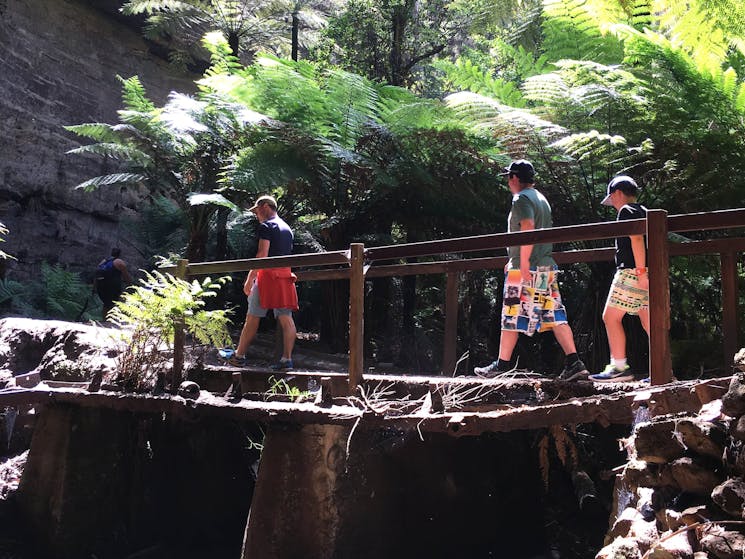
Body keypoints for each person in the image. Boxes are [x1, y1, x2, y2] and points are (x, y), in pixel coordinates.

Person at [474, 160, 589, 381]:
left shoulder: (521, 198)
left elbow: (527, 226)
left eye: (509, 177)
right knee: (554, 314)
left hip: (527, 269)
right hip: (545, 267)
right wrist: (515, 258)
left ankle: (502, 366)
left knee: (510, 316)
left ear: (515, 178)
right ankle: (574, 362)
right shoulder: (541, 198)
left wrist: (522, 262)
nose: (508, 182)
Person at [589, 176, 648, 382]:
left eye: (612, 199)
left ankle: (620, 367)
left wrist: (640, 272)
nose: (612, 204)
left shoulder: (627, 211)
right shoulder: (645, 211)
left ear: (617, 194)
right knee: (650, 321)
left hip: (631, 272)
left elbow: (637, 238)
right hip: (648, 272)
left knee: (611, 317)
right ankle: (663, 368)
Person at [229, 195, 299, 370]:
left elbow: (262, 255)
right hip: (285, 276)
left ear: (266, 207)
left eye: (257, 210)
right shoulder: (287, 228)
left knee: (252, 317)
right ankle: (286, 360)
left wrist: (250, 278)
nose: (256, 214)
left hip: (267, 277)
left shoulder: (267, 226)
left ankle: (239, 356)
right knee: (286, 318)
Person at [94, 247, 133, 318]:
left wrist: (95, 286)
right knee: (113, 303)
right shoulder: (119, 262)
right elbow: (126, 276)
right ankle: (110, 320)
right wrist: (131, 284)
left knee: (106, 303)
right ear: (120, 254)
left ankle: (105, 319)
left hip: (101, 285)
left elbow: (97, 273)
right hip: (112, 286)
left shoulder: (104, 261)